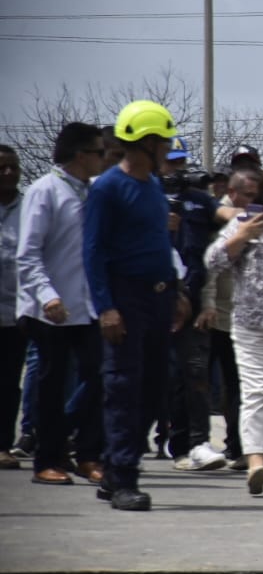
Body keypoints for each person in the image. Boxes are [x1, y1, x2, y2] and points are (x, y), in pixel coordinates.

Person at [84, 100, 188, 511]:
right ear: (145, 142)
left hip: (159, 296)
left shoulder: (154, 187)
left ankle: (114, 469)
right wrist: (106, 307)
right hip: (125, 298)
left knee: (155, 388)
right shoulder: (108, 187)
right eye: (163, 142)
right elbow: (92, 251)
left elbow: (160, 244)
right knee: (123, 388)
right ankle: (124, 479)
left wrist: (177, 291)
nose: (168, 148)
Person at [16, 122, 107, 485]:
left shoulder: (94, 192)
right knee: (52, 385)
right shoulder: (45, 191)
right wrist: (47, 295)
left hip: (88, 306)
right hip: (50, 307)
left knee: (100, 376)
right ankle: (47, 459)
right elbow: (28, 254)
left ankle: (87, 454)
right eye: (100, 152)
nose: (105, 159)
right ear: (80, 155)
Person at [205, 167, 263, 496]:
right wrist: (240, 238)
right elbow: (213, 261)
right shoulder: (247, 221)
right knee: (261, 392)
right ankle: (258, 460)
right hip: (251, 326)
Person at [161, 141, 225, 472]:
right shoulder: (144, 197)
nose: (177, 169)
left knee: (196, 374)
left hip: (195, 302)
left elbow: (217, 247)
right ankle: (171, 443)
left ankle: (196, 443)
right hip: (154, 300)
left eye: (181, 161)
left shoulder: (201, 201)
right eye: (171, 162)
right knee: (162, 378)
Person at [200, 168, 259, 468]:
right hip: (218, 315)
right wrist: (208, 304)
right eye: (247, 195)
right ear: (232, 193)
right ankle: (196, 443)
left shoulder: (257, 218)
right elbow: (212, 266)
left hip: (246, 316)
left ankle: (239, 447)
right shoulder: (220, 218)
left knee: (239, 386)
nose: (252, 200)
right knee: (211, 383)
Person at [1, 145, 26, 471]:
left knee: (8, 382)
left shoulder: (29, 204)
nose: (8, 173)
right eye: (2, 167)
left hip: (17, 312)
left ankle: (3, 444)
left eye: (13, 167)